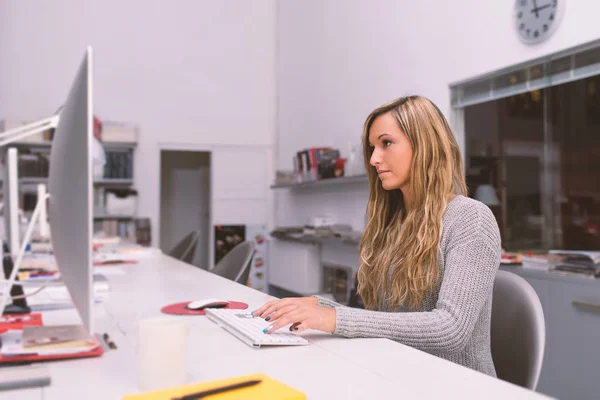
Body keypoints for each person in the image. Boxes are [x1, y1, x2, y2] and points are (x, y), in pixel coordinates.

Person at [253, 95, 501, 377]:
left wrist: (333, 317)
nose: (373, 159)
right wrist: (318, 306)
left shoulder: (471, 218)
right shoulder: (394, 223)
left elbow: (450, 328)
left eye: (386, 143)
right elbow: (385, 318)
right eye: (372, 148)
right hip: (400, 374)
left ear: (424, 146)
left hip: (456, 386)